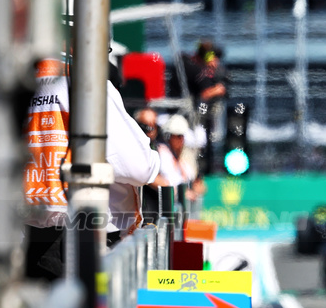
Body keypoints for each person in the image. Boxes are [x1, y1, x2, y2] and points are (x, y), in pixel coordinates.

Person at [24, 55, 166, 277]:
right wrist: (154, 159)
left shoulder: (20, 78)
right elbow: (139, 167)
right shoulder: (86, 80)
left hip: (25, 236)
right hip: (84, 237)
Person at [157, 114, 198, 187]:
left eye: (182, 136)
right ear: (169, 137)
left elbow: (194, 180)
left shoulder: (184, 155)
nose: (181, 140)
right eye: (178, 136)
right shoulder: (161, 153)